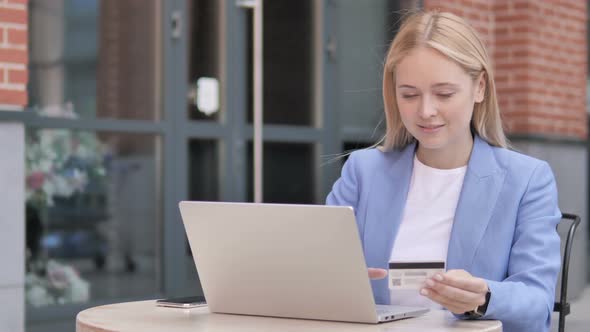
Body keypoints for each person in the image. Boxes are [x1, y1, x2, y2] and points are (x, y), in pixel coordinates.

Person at [326, 10, 560, 332]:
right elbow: (318, 268)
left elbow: (537, 304)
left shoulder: (526, 180)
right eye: (408, 94)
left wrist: (485, 296)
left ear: (479, 88)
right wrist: (330, 279)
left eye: (444, 93)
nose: (425, 111)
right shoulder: (363, 171)